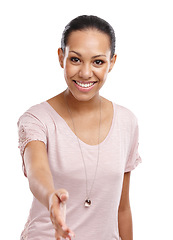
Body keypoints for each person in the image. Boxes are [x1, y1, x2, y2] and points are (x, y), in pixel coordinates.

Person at [17, 15, 142, 240]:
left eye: (98, 62)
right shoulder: (37, 118)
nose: (85, 73)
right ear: (61, 57)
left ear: (112, 62)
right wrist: (50, 196)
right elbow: (37, 171)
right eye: (75, 60)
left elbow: (122, 208)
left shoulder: (127, 122)